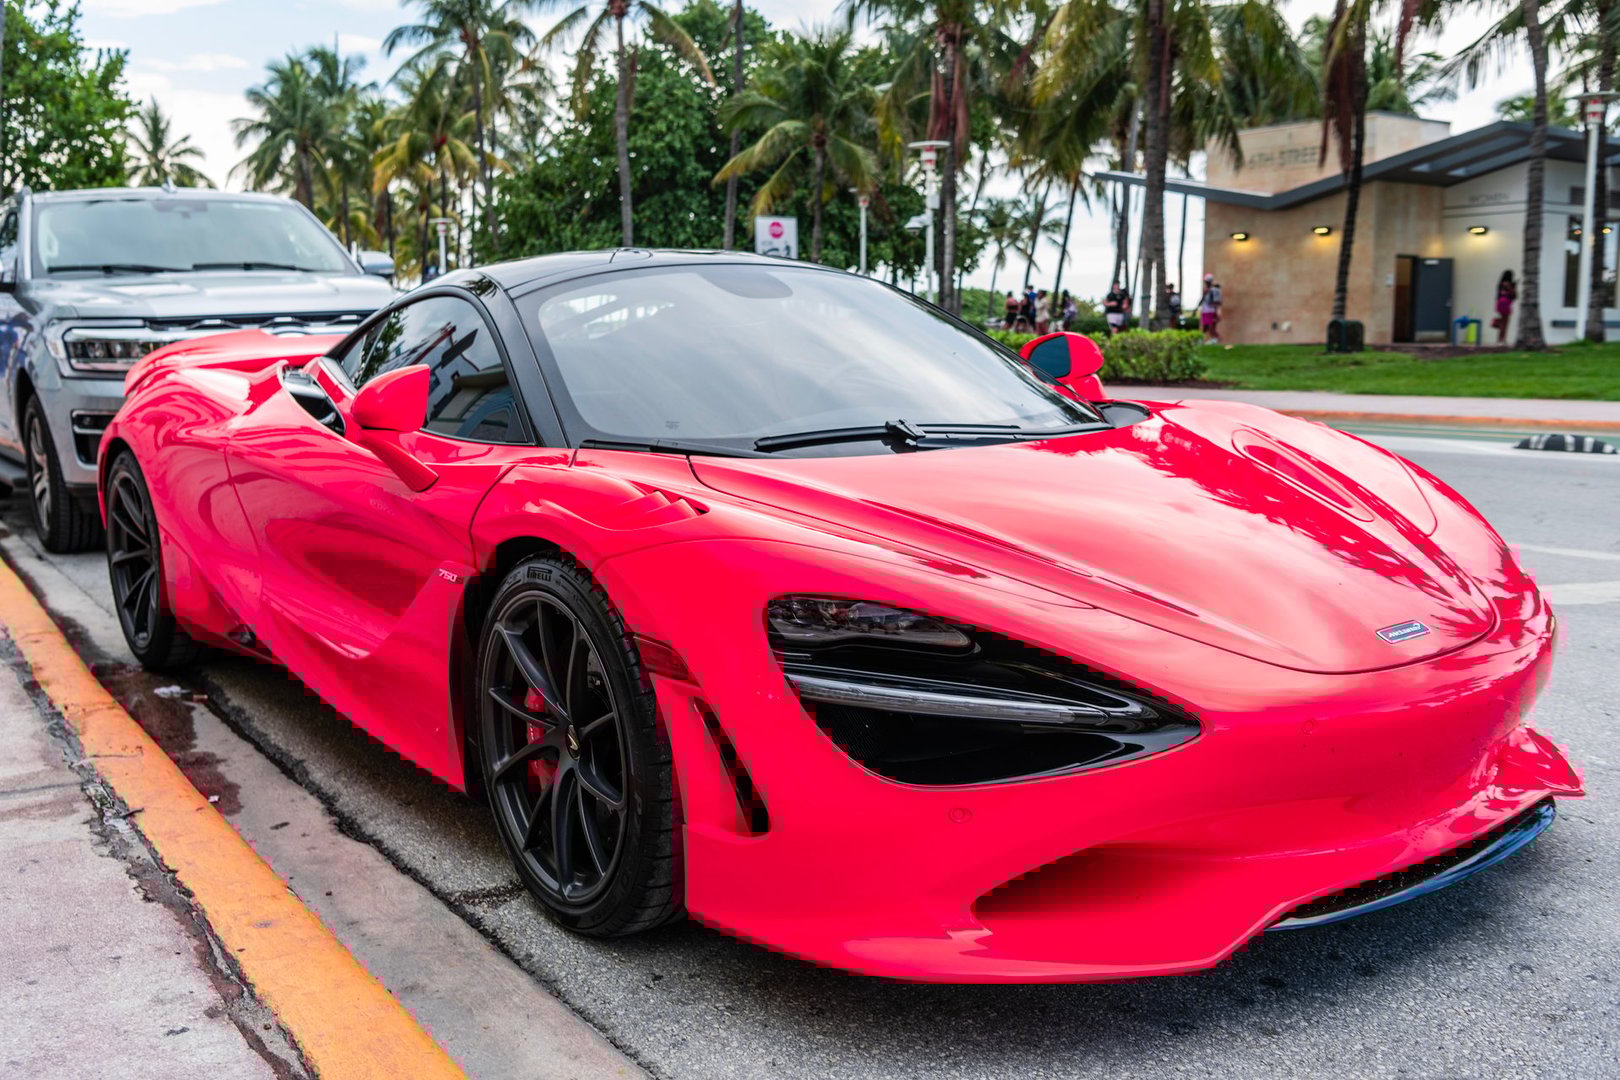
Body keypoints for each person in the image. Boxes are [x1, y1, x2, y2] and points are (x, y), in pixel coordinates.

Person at [1493, 269, 1517, 345]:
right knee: (1505, 322)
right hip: (1506, 303)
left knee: (1503, 321)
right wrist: (1513, 287)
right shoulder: (1507, 284)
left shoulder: (1500, 285)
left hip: (1500, 303)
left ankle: (1499, 339)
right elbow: (1514, 295)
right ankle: (1502, 340)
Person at [1198, 273, 1223, 344]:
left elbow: (1216, 302)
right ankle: (1201, 339)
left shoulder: (1214, 290)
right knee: (1205, 326)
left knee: (1211, 327)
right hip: (1205, 311)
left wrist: (1217, 313)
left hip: (1211, 311)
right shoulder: (1206, 290)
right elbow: (1202, 300)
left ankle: (1216, 339)